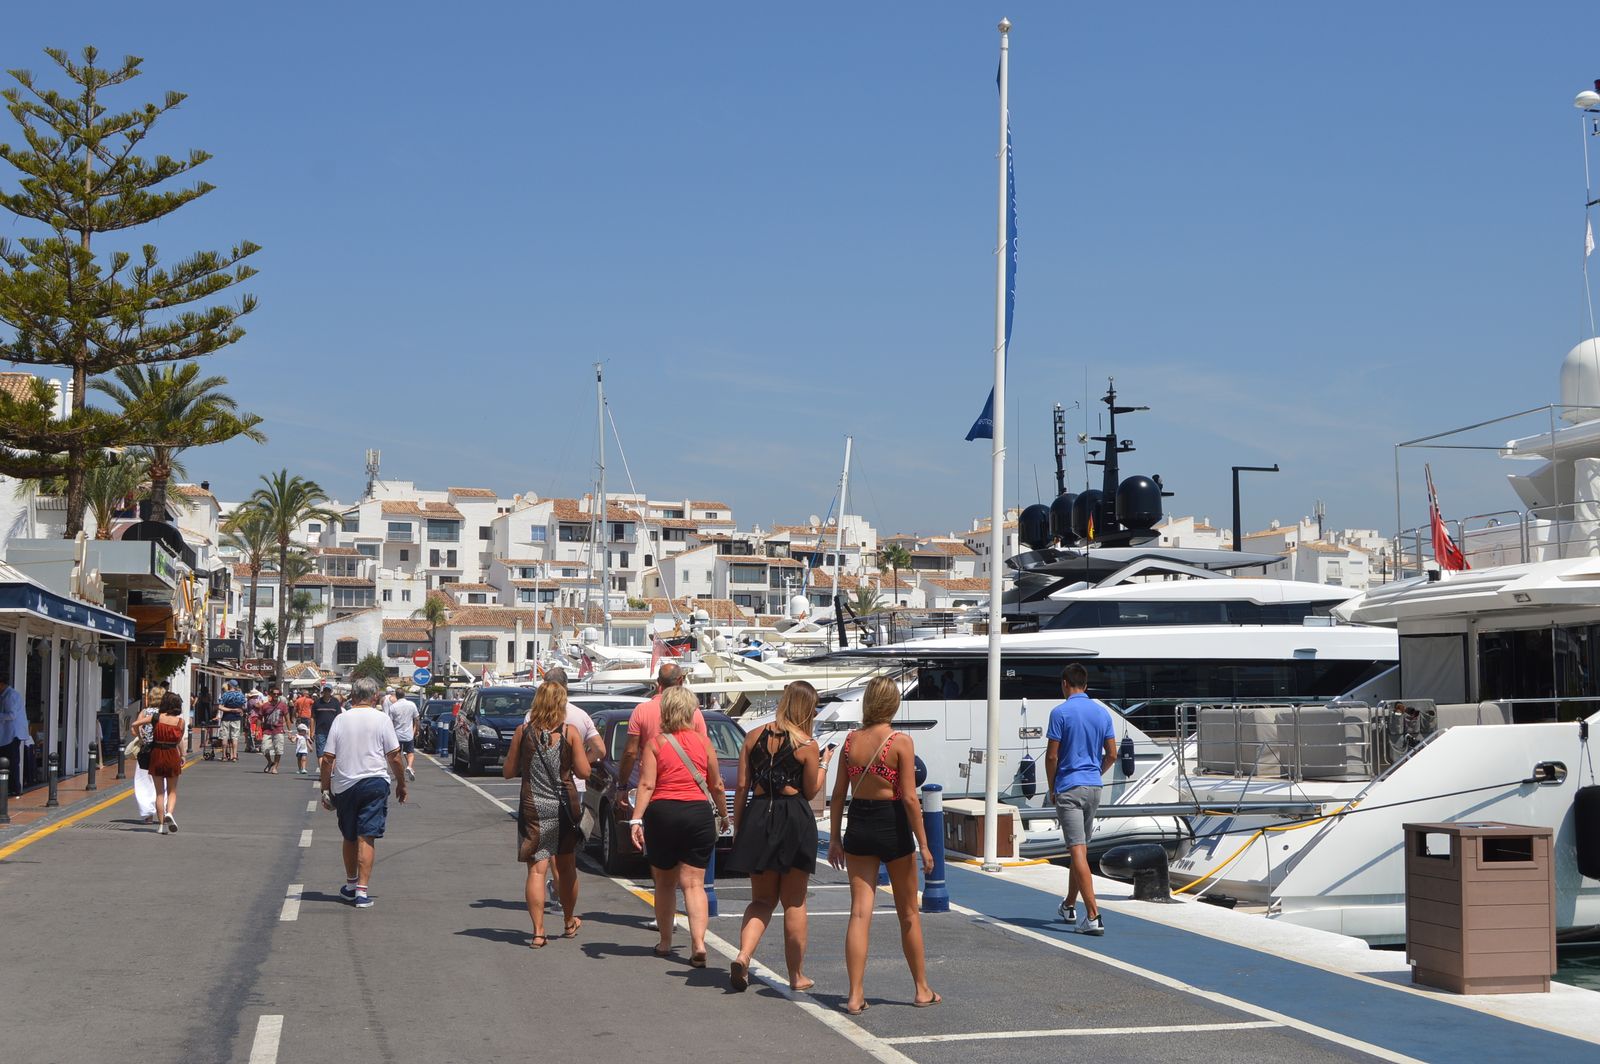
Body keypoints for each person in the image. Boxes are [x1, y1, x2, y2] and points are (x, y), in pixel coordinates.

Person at [827, 676, 938, 1014]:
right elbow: (908, 798)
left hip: (859, 823)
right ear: (892, 704)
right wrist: (925, 844)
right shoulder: (900, 742)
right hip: (892, 825)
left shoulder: (849, 742)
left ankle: (855, 994)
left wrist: (834, 838)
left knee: (860, 911)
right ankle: (921, 988)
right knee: (908, 913)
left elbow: (837, 796)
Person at [727, 680, 833, 992]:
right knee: (794, 903)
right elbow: (812, 790)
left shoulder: (752, 737)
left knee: (761, 900)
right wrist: (825, 763)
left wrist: (738, 828)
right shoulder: (807, 745)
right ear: (806, 709)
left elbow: (743, 787)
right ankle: (796, 975)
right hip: (793, 819)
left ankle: (744, 956)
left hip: (759, 815)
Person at [630, 687, 727, 966]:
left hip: (663, 814)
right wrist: (723, 815)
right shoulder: (703, 742)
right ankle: (698, 943)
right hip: (698, 814)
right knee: (694, 884)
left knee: (664, 883)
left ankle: (665, 942)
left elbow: (647, 784)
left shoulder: (656, 743)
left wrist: (636, 819)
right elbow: (717, 785)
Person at [501, 682, 591, 948]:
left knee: (537, 871)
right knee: (566, 866)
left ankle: (538, 932)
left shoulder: (523, 732)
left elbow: (508, 771)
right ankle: (568, 920)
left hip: (532, 806)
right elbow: (584, 772)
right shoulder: (569, 732)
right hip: (564, 806)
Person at [319, 677, 407, 908]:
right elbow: (395, 756)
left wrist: (325, 788)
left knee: (349, 836)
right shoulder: (382, 719)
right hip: (375, 782)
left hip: (346, 784)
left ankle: (350, 885)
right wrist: (402, 783)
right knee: (366, 836)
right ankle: (361, 892)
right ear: (375, 697)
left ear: (354, 696)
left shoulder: (340, 719)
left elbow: (328, 759)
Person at [1045, 662, 1117, 936]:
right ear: (1085, 685)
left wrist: (1053, 787)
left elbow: (1052, 756)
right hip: (1094, 787)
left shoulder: (1060, 713)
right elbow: (1111, 754)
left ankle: (1093, 916)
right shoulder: (1102, 713)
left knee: (1076, 850)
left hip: (1069, 787)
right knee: (1081, 850)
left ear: (1065, 684)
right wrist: (1095, 772)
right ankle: (1069, 905)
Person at [616, 661, 710, 810]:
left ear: (658, 683)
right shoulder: (694, 712)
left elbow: (630, 753)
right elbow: (705, 753)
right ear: (680, 681)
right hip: (690, 792)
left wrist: (622, 786)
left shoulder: (641, 710)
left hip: (653, 790)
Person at [146, 692, 188, 834]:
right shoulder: (180, 722)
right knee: (172, 791)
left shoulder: (157, 718)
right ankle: (169, 813)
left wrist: (141, 738)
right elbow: (179, 741)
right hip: (171, 754)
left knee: (159, 793)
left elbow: (135, 724)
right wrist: (183, 755)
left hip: (157, 753)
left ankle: (160, 826)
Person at [386, 688, 421, 781]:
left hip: (396, 734)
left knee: (397, 754)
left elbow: (390, 722)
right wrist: (416, 730)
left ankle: (399, 772)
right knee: (410, 752)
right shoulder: (411, 705)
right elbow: (417, 719)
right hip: (408, 734)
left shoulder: (393, 707)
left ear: (396, 696)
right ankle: (409, 766)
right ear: (404, 694)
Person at [253, 687, 290, 774]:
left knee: (278, 749)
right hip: (267, 730)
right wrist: (257, 730)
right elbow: (259, 718)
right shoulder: (265, 706)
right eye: (274, 694)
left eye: (278, 694)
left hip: (278, 729)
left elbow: (287, 718)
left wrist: (289, 731)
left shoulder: (283, 705)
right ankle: (270, 762)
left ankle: (275, 766)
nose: (276, 695)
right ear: (271, 694)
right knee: (264, 748)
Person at [0, 672, 25, 798]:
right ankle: (9, 787)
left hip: (12, 735)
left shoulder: (10, 696)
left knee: (11, 762)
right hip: (6, 735)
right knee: (7, 761)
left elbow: (12, 715)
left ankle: (15, 788)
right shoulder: (5, 695)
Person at [216, 681, 246, 762]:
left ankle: (224, 756)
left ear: (229, 685)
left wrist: (230, 709)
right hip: (236, 718)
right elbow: (244, 706)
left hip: (226, 717)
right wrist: (239, 710)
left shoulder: (225, 694)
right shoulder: (240, 695)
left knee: (224, 737)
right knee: (235, 737)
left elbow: (220, 707)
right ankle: (234, 756)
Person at [310, 685, 342, 759]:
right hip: (320, 732)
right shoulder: (317, 703)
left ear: (331, 692)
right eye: (325, 690)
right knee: (320, 753)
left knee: (332, 754)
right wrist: (312, 732)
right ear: (323, 692)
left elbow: (339, 717)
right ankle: (322, 770)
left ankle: (330, 770)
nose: (327, 692)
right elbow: (312, 718)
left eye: (328, 690)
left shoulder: (335, 702)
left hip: (333, 731)